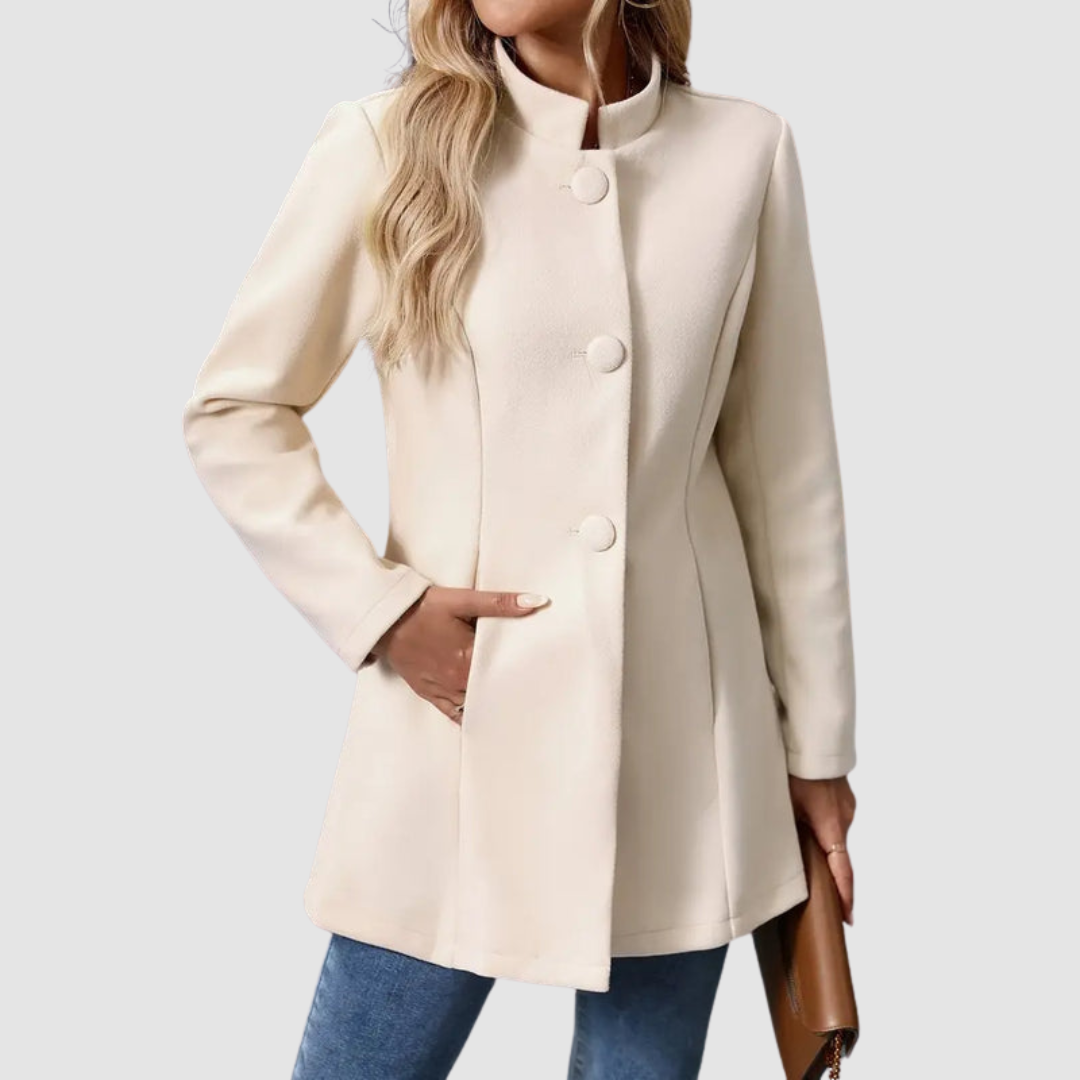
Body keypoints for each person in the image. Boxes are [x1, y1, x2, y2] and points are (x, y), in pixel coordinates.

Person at [182, 1, 858, 1076]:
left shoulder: (745, 154)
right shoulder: (386, 146)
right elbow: (237, 411)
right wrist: (381, 611)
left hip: (687, 748)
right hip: (454, 738)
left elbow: (785, 473)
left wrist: (817, 751)